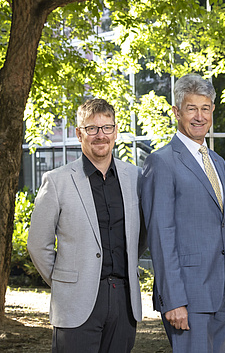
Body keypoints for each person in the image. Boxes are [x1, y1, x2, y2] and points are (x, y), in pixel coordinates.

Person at [27, 98, 145, 352]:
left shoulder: (135, 177)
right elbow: (38, 244)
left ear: (116, 131)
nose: (100, 135)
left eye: (107, 128)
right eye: (92, 128)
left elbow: (141, 236)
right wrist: (66, 281)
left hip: (125, 300)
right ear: (79, 133)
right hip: (76, 302)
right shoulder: (57, 181)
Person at [141, 73, 225, 352]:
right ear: (176, 112)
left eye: (205, 108)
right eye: (191, 108)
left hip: (223, 294)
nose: (199, 116)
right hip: (187, 296)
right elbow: (161, 235)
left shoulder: (217, 162)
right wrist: (173, 299)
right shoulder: (161, 162)